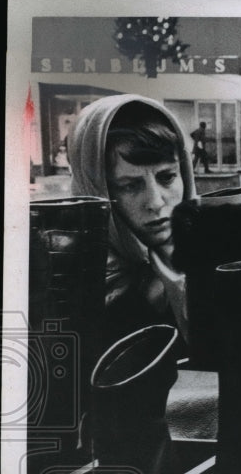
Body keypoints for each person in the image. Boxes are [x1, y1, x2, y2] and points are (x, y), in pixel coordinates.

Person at [68, 94, 197, 342]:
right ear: (96, 191)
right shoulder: (70, 282)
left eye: (167, 177)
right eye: (130, 186)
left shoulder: (212, 251)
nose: (156, 202)